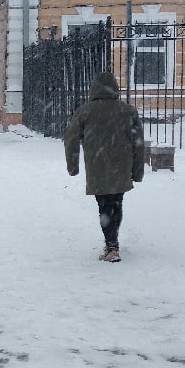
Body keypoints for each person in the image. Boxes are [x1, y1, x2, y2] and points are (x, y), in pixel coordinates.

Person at [63, 70, 146, 263]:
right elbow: (138, 143)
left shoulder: (85, 111)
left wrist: (72, 166)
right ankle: (112, 243)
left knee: (104, 206)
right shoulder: (128, 111)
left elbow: (71, 139)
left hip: (97, 166)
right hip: (121, 166)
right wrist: (137, 171)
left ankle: (111, 246)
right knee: (116, 203)